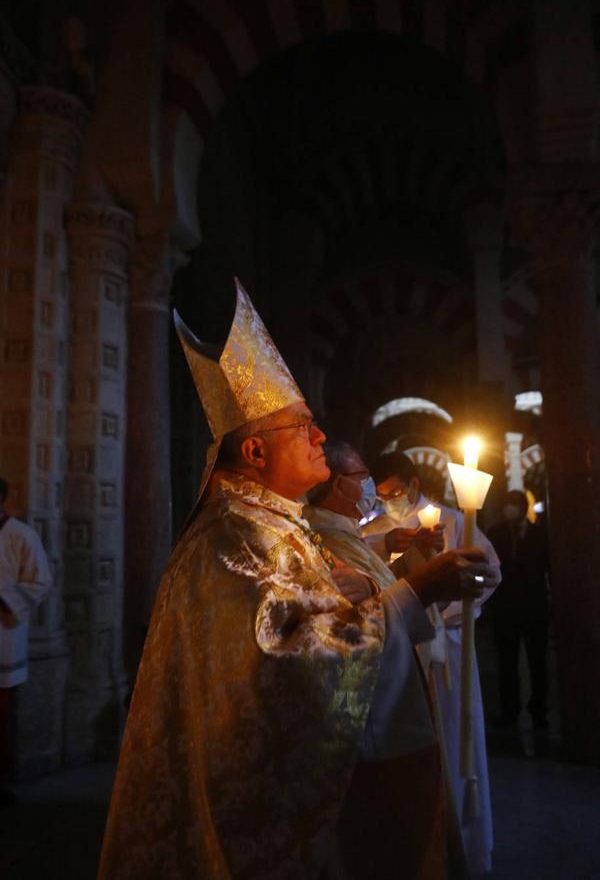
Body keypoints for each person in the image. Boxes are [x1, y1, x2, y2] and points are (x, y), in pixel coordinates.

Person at [98, 280, 497, 880]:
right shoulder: (236, 536)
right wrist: (418, 593)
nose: (319, 438)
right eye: (302, 426)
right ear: (256, 453)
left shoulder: (273, 524)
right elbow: (289, 663)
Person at [363, 451, 501, 876]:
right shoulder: (375, 529)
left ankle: (467, 840)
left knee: (459, 738)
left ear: (416, 483)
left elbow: (490, 574)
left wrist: (447, 609)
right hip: (401, 650)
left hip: (451, 646)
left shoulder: (457, 522)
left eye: (397, 493)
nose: (390, 503)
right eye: (382, 496)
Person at [0, 477, 53, 803]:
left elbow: (40, 581)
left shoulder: (21, 535)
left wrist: (4, 597)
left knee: (2, 713)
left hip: (4, 632)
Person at [487, 490, 550, 729]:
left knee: (537, 661)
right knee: (507, 661)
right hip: (506, 608)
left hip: (534, 606)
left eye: (513, 505)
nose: (509, 510)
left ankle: (539, 708)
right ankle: (509, 709)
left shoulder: (540, 534)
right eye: (507, 505)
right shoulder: (496, 534)